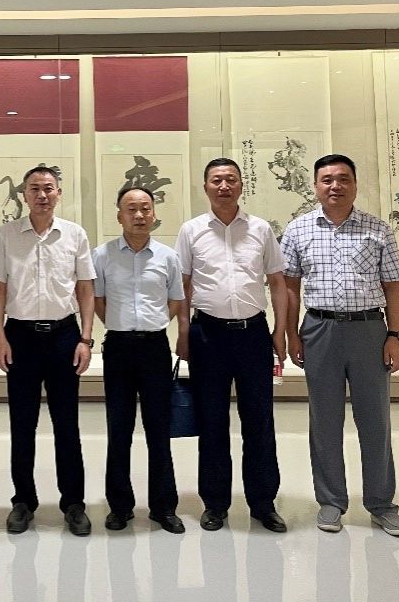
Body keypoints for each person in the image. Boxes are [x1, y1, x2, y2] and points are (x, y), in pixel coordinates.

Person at [281, 154, 399, 537]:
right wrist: (291, 334)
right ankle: (331, 502)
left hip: (369, 331)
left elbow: (393, 286)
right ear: (315, 186)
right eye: (327, 180)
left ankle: (382, 504)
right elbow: (290, 287)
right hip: (319, 330)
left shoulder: (378, 229)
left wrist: (395, 335)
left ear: (354, 184)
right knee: (324, 420)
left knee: (375, 421)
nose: (334, 186)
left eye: (343, 179)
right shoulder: (298, 230)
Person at [175, 158, 288, 533]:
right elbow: (183, 286)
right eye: (216, 180)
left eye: (231, 180)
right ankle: (215, 504)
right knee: (212, 421)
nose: (224, 186)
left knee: (259, 421)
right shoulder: (191, 230)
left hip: (253, 334)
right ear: (205, 186)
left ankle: (263, 503)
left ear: (241, 185)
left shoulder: (260, 229)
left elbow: (277, 283)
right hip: (208, 335)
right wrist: (184, 333)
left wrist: (280, 331)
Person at [0, 165, 96, 536]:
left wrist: (85, 339)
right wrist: (0, 337)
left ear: (59, 193)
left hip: (64, 337)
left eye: (48, 188)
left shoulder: (74, 234)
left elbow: (85, 288)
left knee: (67, 425)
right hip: (20, 337)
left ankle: (74, 503)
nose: (42, 195)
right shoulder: (7, 235)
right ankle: (23, 501)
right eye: (34, 188)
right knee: (23, 424)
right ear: (24, 194)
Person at [94, 186, 187, 534]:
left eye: (145, 208)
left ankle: (164, 507)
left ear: (154, 214)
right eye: (131, 209)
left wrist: (153, 324)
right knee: (119, 430)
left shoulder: (167, 257)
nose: (139, 215)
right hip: (118, 348)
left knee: (158, 430)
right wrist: (120, 325)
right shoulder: (102, 255)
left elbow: (175, 300)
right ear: (119, 215)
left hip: (154, 349)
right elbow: (98, 301)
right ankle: (120, 506)